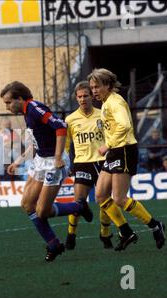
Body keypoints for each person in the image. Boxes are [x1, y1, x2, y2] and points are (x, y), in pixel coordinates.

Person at [1, 81, 94, 262]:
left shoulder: (35, 108)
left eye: (8, 102)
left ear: (20, 98)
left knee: (42, 211)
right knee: (28, 205)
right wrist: (19, 161)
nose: (7, 107)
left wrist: (58, 157)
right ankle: (54, 244)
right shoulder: (27, 112)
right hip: (40, 160)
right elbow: (38, 141)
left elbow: (60, 126)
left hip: (53, 162)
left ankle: (79, 206)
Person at [88, 68, 166, 251]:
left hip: (123, 150)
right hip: (115, 150)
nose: (94, 91)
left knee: (120, 198)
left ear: (107, 85)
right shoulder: (107, 102)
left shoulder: (115, 102)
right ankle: (126, 232)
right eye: (92, 87)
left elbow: (125, 125)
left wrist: (108, 145)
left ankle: (156, 226)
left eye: (97, 87)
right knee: (100, 195)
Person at [64, 81, 120, 250]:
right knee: (78, 201)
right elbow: (66, 144)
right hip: (82, 163)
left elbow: (112, 135)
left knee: (105, 201)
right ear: (76, 98)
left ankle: (105, 233)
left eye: (85, 96)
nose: (82, 99)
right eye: (79, 96)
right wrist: (66, 160)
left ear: (91, 96)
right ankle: (71, 233)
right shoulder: (70, 119)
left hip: (103, 162)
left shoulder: (102, 114)